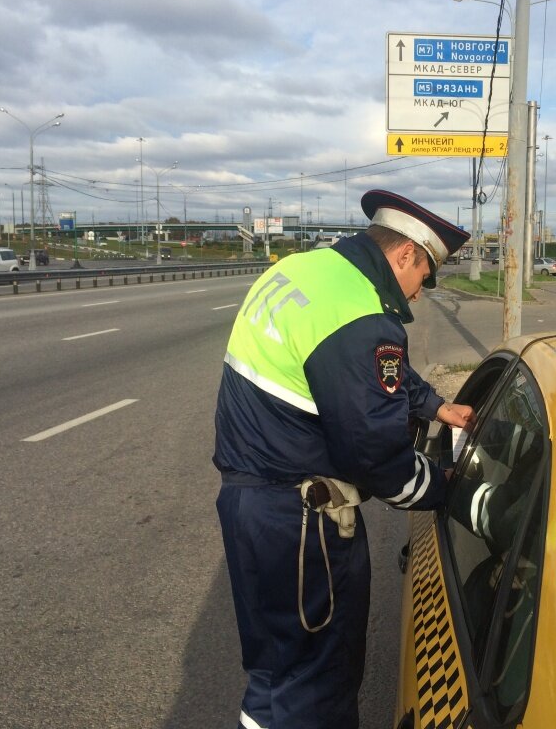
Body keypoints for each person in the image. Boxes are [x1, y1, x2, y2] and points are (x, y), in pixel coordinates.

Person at [213, 189, 477, 729]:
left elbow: (359, 373)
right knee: (320, 684)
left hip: (248, 504)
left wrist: (435, 405)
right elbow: (377, 457)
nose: (421, 292)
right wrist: (444, 486)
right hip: (303, 524)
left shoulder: (305, 271)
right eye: (425, 274)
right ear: (405, 254)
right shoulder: (360, 314)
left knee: (274, 672)